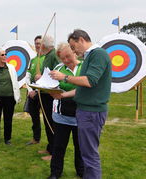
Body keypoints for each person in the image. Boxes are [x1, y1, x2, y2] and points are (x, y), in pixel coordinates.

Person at [49, 29, 112, 179]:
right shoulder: (92, 55)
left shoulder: (98, 54)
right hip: (85, 112)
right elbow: (82, 89)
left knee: (89, 156)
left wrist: (64, 77)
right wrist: (63, 95)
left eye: (73, 46)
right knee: (87, 153)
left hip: (91, 112)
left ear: (81, 40)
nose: (73, 50)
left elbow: (89, 81)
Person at [47, 43, 84, 179]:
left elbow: (85, 88)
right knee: (58, 147)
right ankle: (55, 173)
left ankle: (81, 171)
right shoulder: (58, 68)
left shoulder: (84, 67)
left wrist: (65, 91)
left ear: (74, 52)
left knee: (80, 147)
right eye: (63, 58)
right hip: (61, 115)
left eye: (68, 56)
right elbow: (51, 86)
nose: (66, 60)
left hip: (81, 114)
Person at [35, 35, 59, 160]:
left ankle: (54, 153)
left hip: (51, 94)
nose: (39, 47)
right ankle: (50, 147)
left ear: (43, 46)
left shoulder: (54, 55)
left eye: (40, 45)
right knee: (47, 121)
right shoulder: (48, 56)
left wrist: (41, 78)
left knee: (51, 123)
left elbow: (58, 73)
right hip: (45, 94)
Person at [25, 35, 45, 145]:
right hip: (32, 92)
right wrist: (30, 90)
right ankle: (36, 138)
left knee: (48, 118)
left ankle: (52, 142)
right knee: (34, 117)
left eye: (40, 43)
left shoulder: (47, 59)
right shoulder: (32, 60)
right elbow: (27, 76)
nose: (38, 45)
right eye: (36, 43)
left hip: (43, 92)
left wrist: (37, 91)